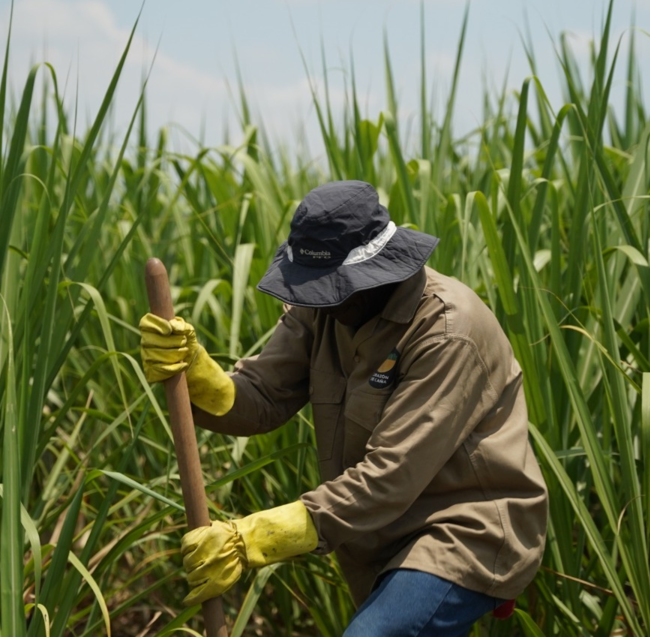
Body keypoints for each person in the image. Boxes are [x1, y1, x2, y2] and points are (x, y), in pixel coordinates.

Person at [139, 180, 548, 636]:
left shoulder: (447, 330)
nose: (320, 302)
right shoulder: (325, 310)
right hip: (380, 534)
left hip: (466, 531)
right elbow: (263, 397)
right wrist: (198, 375)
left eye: (334, 289)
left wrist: (250, 538)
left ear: (379, 271)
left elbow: (390, 478)